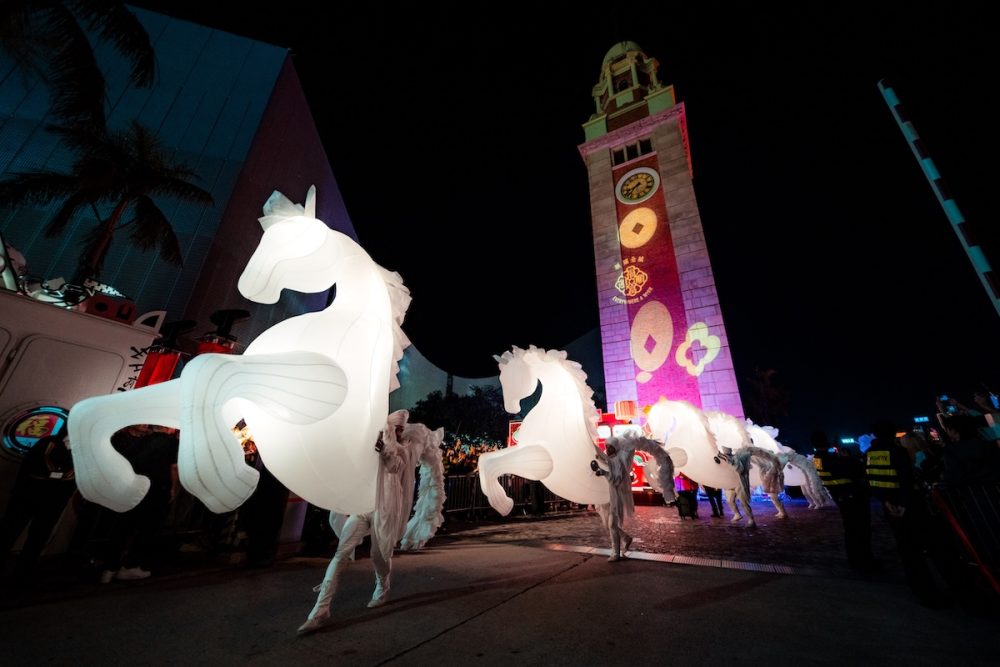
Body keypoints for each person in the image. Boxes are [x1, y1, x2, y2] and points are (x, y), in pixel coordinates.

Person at [298, 410, 441, 634]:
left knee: (379, 555)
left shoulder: (402, 450)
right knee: (341, 554)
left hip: (385, 510)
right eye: (397, 428)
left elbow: (395, 466)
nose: (400, 432)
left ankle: (382, 586)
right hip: (362, 508)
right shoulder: (369, 444)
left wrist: (385, 447)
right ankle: (320, 609)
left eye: (402, 429)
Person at [99, 425, 178, 583]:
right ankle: (130, 566)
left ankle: (109, 568)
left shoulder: (141, 440)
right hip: (157, 490)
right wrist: (173, 489)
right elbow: (173, 468)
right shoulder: (171, 443)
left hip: (136, 489)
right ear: (168, 427)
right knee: (148, 529)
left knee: (124, 527)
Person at [0, 426, 76, 584]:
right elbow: (28, 468)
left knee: (39, 536)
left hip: (55, 501)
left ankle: (23, 573)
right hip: (29, 495)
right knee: (9, 531)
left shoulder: (83, 452)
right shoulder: (46, 444)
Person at [591, 440, 635, 561]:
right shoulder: (608, 459)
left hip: (616, 498)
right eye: (606, 447)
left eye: (610, 447)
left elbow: (616, 480)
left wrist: (603, 473)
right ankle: (625, 538)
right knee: (608, 524)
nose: (608, 449)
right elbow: (603, 460)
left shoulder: (618, 461)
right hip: (606, 498)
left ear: (616, 448)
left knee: (612, 524)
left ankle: (616, 553)